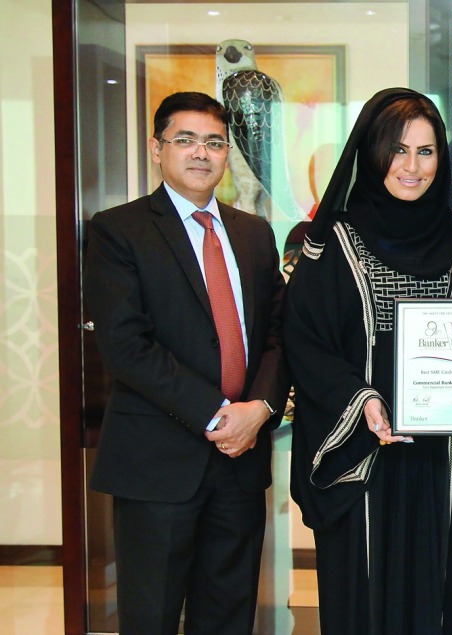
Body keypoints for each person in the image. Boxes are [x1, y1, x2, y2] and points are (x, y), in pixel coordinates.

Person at [283, 88, 452, 634]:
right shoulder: (332, 243)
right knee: (365, 596)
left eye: (427, 152)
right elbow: (303, 341)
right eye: (399, 151)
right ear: (372, 152)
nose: (412, 167)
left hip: (445, 463)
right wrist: (361, 400)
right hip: (365, 459)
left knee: (445, 592)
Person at [82, 91, 288, 634]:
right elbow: (127, 346)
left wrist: (261, 408)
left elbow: (277, 334)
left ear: (227, 153)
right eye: (186, 139)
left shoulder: (253, 234)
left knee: (228, 613)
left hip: (240, 462)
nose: (202, 153)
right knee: (151, 615)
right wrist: (220, 414)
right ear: (157, 149)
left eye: (215, 142)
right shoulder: (118, 230)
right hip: (158, 461)